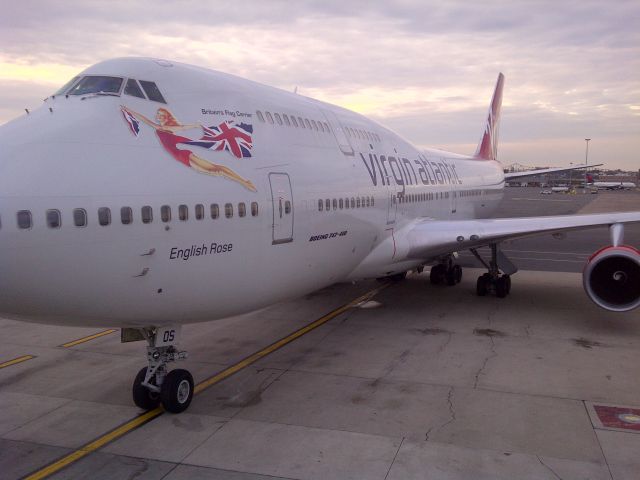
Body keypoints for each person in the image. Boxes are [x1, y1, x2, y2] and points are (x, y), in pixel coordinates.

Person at [122, 106, 256, 192]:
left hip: (183, 155)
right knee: (215, 171)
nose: (158, 117)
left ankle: (244, 182)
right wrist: (130, 110)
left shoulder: (166, 128)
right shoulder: (160, 127)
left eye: (161, 115)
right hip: (181, 158)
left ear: (167, 117)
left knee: (217, 170)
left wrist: (195, 125)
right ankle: (244, 182)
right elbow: (145, 119)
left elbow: (182, 128)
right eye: (158, 115)